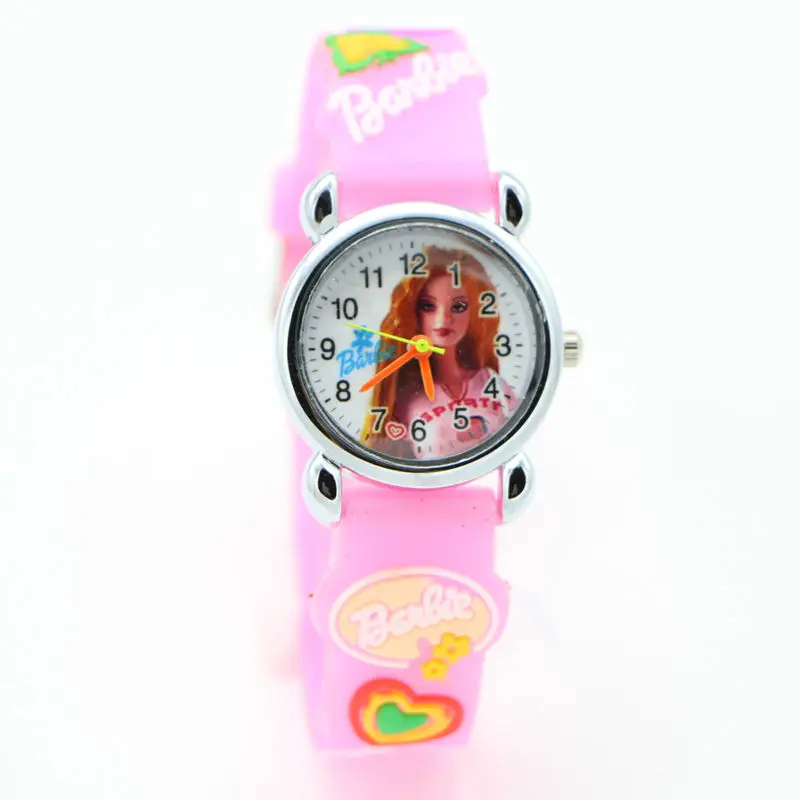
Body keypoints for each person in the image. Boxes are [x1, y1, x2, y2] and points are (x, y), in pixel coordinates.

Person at [362, 245, 516, 458]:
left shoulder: (490, 381)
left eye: (458, 306)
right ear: (414, 312)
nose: (444, 319)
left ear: (474, 312)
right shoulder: (404, 399)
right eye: (428, 306)